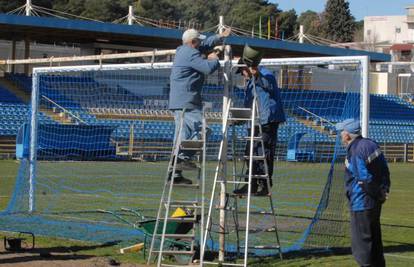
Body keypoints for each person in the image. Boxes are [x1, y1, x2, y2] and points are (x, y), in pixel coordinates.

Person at [168, 28, 231, 184]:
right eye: (199, 41)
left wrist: (219, 37)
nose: (202, 43)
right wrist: (214, 58)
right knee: (204, 130)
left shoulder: (183, 50)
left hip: (180, 101)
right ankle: (181, 159)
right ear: (193, 42)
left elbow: (205, 45)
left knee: (181, 138)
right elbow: (208, 68)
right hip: (186, 102)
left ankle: (174, 175)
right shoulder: (190, 53)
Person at [336, 118, 391, 267]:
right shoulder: (371, 144)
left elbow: (363, 179)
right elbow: (385, 169)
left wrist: (377, 193)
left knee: (362, 248)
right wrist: (384, 191)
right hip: (374, 203)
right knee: (375, 244)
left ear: (347, 135)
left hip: (362, 203)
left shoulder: (354, 150)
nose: (340, 135)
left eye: (341, 132)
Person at [233, 45, 286, 196]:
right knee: (249, 153)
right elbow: (248, 105)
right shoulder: (249, 83)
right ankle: (251, 184)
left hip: (267, 121)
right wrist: (240, 119)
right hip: (254, 123)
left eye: (242, 71)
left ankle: (265, 184)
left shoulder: (265, 74)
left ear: (248, 67)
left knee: (264, 153)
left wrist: (257, 75)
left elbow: (269, 86)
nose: (243, 75)